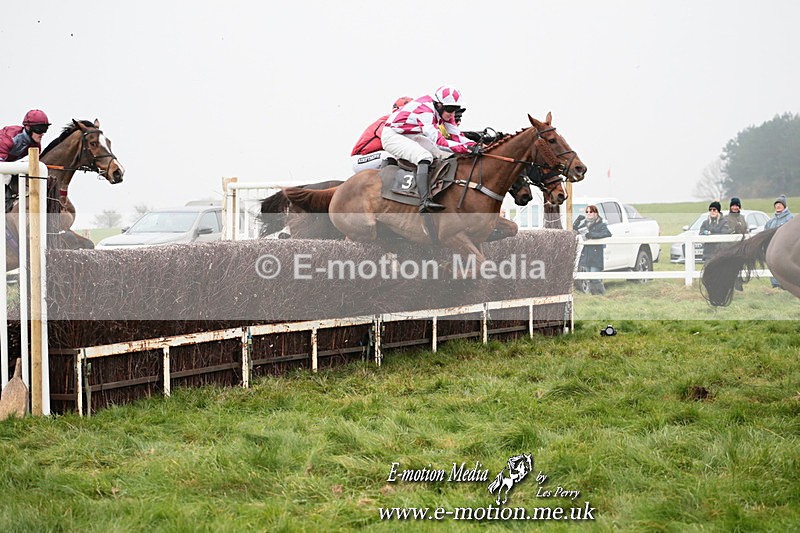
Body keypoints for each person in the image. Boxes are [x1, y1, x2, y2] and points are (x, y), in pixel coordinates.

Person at [381, 85, 476, 212]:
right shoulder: (425, 111)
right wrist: (468, 149)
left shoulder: (445, 111)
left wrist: (474, 145)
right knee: (425, 157)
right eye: (450, 109)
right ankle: (424, 201)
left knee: (446, 155)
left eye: (456, 109)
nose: (452, 114)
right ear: (439, 105)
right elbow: (440, 142)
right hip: (392, 136)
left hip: (411, 135)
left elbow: (457, 136)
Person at [1, 109, 51, 211]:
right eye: (39, 129)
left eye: (45, 129)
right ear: (28, 128)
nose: (42, 133)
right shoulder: (7, 139)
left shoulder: (36, 145)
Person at [350, 96, 413, 174]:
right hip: (360, 159)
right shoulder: (385, 122)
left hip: (376, 156)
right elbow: (395, 140)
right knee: (389, 156)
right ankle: (384, 183)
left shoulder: (403, 125)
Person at [573, 205, 612, 295]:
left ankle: (602, 294)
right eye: (587, 212)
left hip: (595, 254)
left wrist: (592, 235)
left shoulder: (601, 224)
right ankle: (594, 295)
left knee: (595, 277)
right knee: (589, 278)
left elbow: (607, 233)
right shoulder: (584, 224)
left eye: (591, 212)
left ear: (595, 213)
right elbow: (575, 230)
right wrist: (577, 221)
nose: (589, 214)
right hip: (586, 254)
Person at [764, 194, 794, 288]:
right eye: (776, 204)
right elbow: (765, 233)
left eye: (780, 204)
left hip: (785, 249)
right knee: (773, 265)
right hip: (773, 249)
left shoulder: (790, 218)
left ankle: (785, 285)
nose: (778, 206)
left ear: (784, 206)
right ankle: (776, 285)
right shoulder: (771, 221)